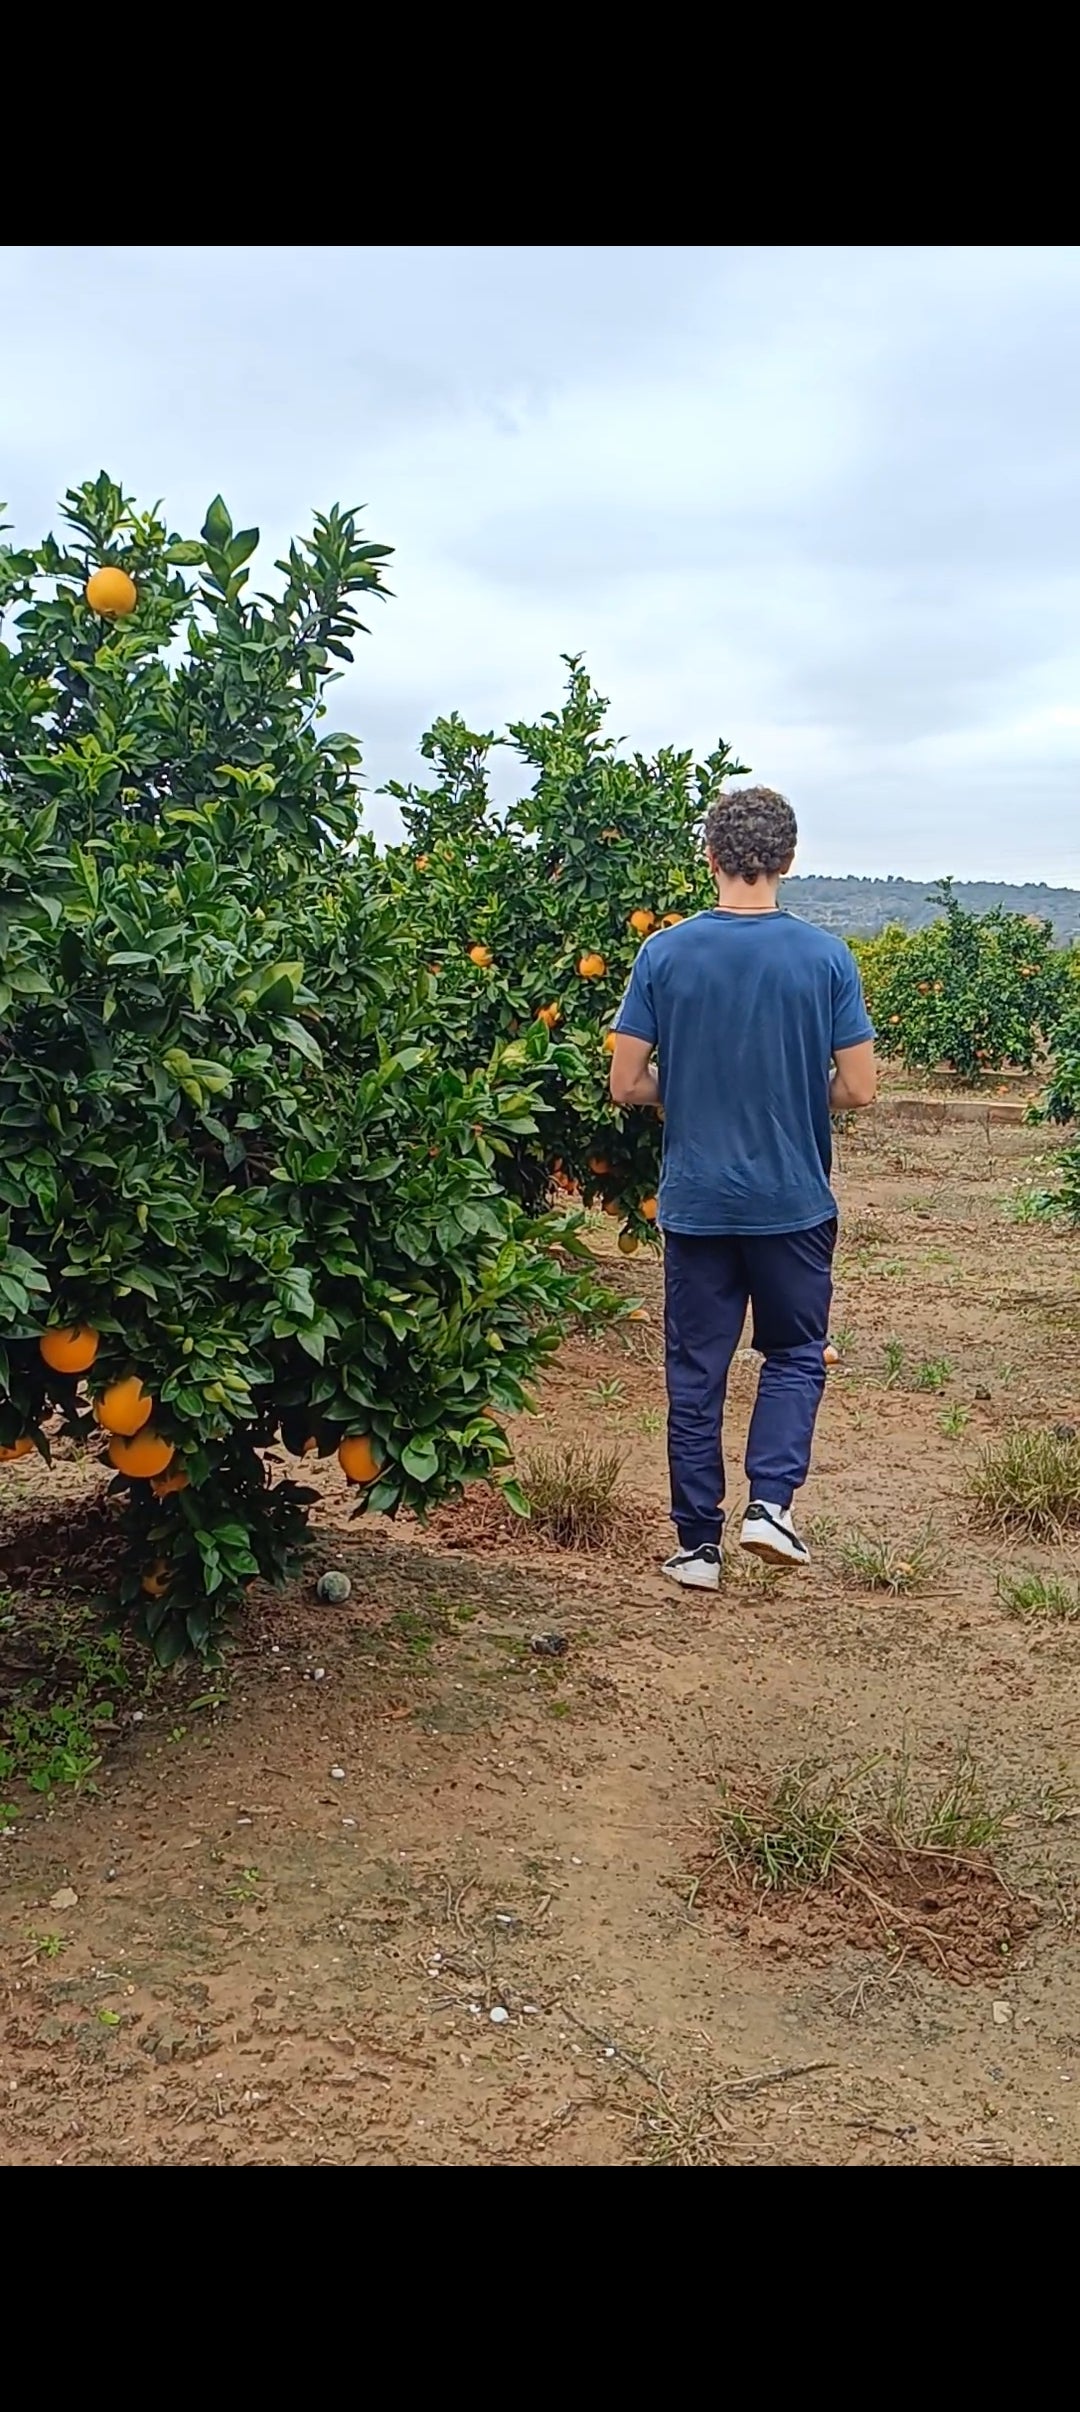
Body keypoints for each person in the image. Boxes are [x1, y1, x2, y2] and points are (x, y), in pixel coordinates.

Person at [609, 786, 876, 1589]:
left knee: (697, 1375)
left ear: (711, 856)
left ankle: (697, 1546)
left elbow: (626, 1082)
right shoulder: (826, 958)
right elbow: (859, 1088)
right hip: (792, 1203)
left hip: (695, 1204)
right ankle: (770, 1506)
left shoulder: (664, 953)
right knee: (795, 1352)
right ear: (788, 860)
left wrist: (684, 1086)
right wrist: (795, 1088)